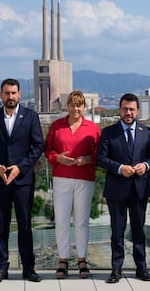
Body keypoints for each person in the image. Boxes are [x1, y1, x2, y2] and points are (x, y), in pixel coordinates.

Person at [0, 78, 44, 284]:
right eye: (7, 93)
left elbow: (38, 147)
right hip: (0, 180)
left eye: (14, 93)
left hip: (23, 180)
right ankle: (2, 267)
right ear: (1, 95)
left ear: (19, 94)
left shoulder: (31, 117)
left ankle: (28, 268)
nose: (10, 96)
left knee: (25, 224)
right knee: (2, 225)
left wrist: (20, 168)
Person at [96, 93, 150, 283]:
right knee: (117, 231)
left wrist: (145, 166)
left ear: (137, 111)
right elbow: (101, 158)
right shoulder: (108, 132)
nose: (128, 112)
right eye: (125, 109)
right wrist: (120, 168)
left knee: (139, 231)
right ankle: (116, 270)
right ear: (120, 110)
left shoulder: (146, 132)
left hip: (139, 189)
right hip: (116, 190)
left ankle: (141, 268)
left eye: (132, 109)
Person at [44, 90, 101, 279]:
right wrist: (57, 158)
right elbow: (48, 150)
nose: (75, 108)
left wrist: (87, 158)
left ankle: (82, 259)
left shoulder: (92, 128)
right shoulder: (56, 126)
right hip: (61, 178)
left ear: (84, 107)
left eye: (79, 105)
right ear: (66, 106)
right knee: (61, 220)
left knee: (81, 221)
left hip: (85, 178)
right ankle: (63, 260)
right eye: (72, 104)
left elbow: (100, 154)